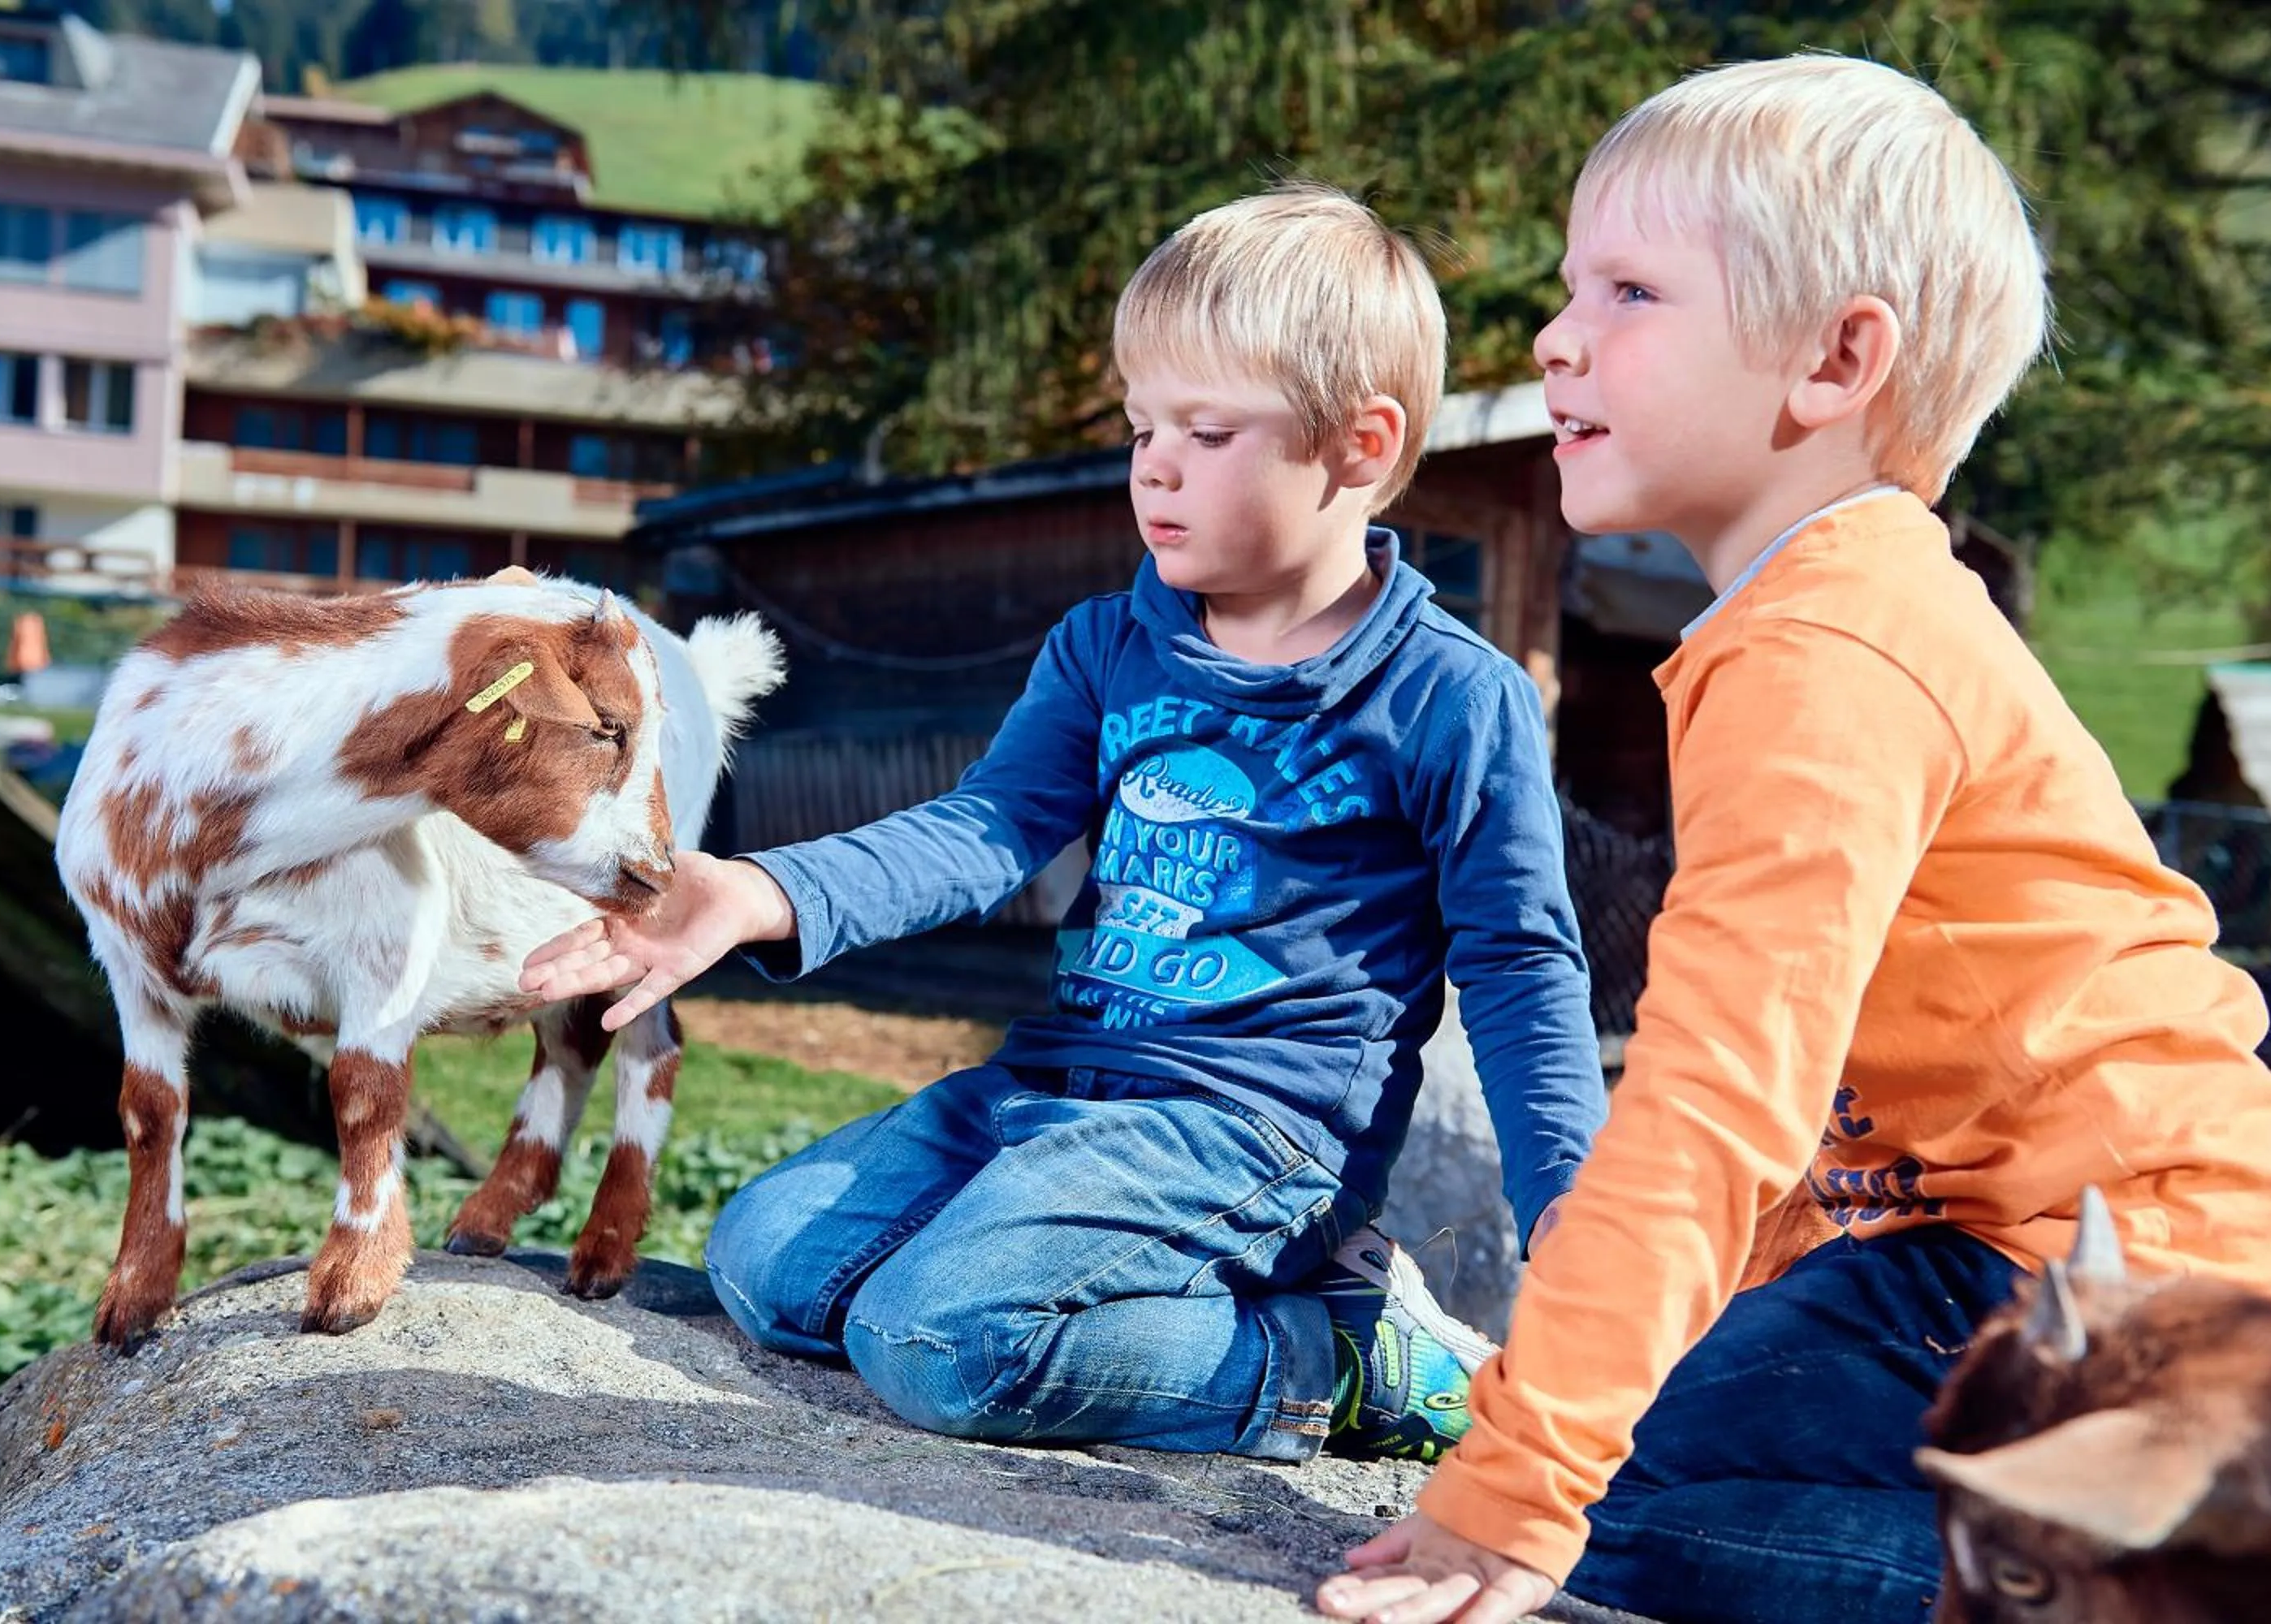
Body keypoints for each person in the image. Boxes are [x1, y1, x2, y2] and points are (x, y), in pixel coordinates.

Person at [1314, 54, 2271, 1624]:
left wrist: (1507, 1503)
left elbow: (1717, 1096)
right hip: (2077, 1261)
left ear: (1838, 360)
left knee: (1609, 1522)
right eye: (1576, 287)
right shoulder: (1838, 613)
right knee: (1648, 1443)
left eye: (1631, 291)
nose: (1558, 337)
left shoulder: (1826, 653)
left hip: (2117, 1294)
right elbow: (1820, 1114)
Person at [521, 181, 1608, 1467]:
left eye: (1206, 430)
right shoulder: (1107, 646)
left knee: (943, 1344)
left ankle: (1340, 1358)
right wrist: (762, 892)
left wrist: (1576, 1229)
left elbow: (1521, 966)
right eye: (1145, 423)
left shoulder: (1449, 694)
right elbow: (984, 830)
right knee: (766, 1261)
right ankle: (1162, 1308)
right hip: (1056, 1087)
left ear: (1360, 448)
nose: (1154, 463)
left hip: (1248, 1132)